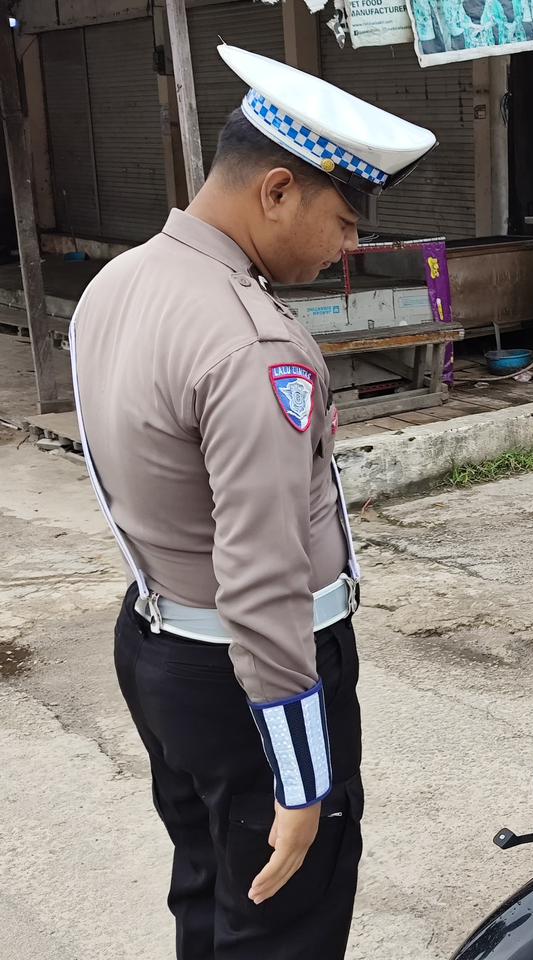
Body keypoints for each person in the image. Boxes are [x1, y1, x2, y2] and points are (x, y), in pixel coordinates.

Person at [70, 45, 437, 959]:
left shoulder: (115, 286)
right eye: (344, 223)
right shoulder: (252, 345)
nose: (348, 248)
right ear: (277, 190)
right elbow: (263, 575)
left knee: (209, 894)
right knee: (283, 925)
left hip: (159, 646)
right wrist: (303, 782)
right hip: (253, 679)